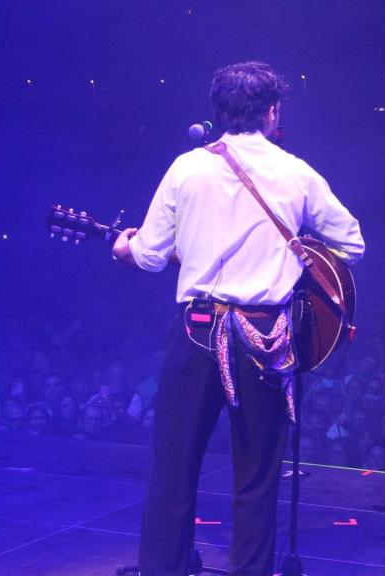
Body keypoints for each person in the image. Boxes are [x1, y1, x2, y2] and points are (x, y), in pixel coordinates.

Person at [111, 61, 365, 576]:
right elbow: (352, 244)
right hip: (265, 339)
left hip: (197, 334)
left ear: (218, 111)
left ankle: (165, 569)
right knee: (256, 475)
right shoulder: (297, 172)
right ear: (273, 112)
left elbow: (150, 257)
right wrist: (291, 256)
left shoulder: (186, 168)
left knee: (174, 467)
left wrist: (123, 246)